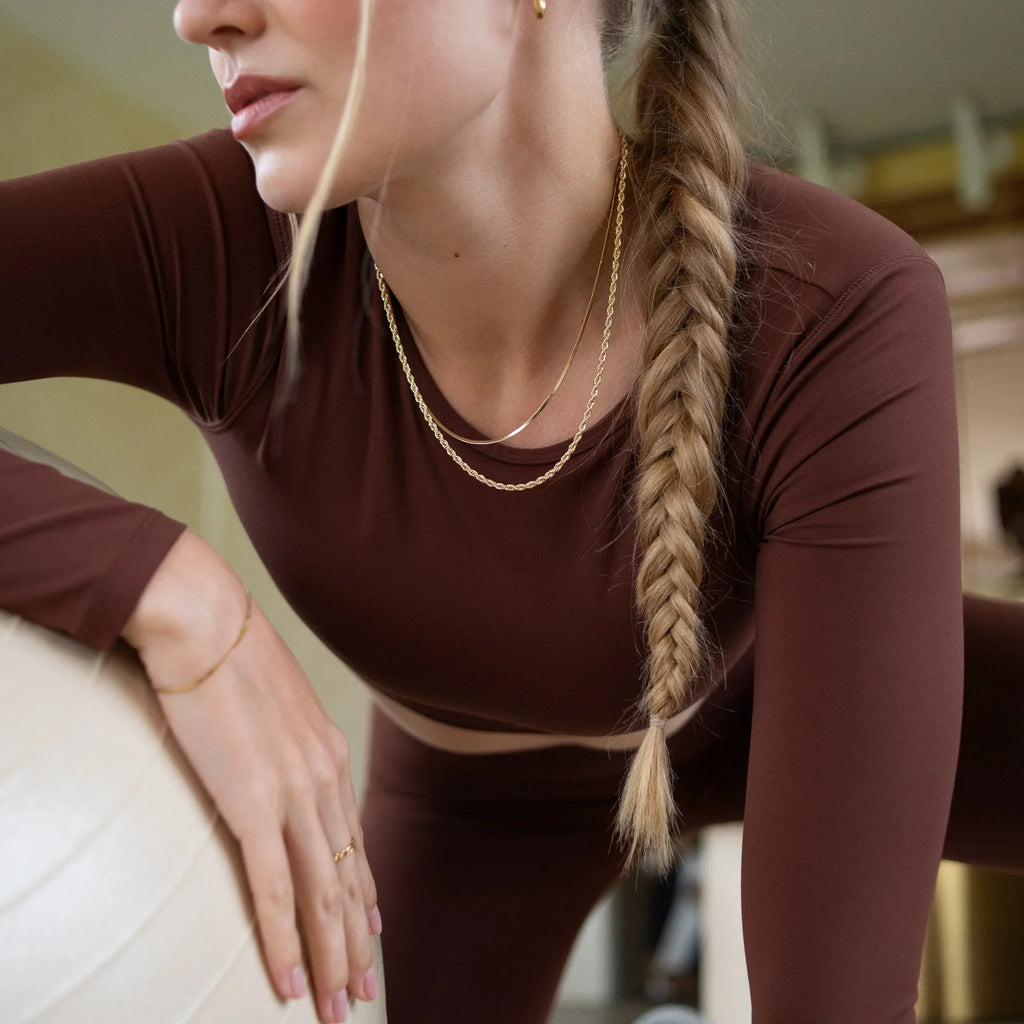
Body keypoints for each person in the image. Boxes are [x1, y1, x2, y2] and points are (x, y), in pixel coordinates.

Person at [1, 1, 1022, 1022]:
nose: (197, 16)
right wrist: (158, 580)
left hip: (786, 688)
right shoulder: (211, 244)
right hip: (462, 809)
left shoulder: (833, 302)